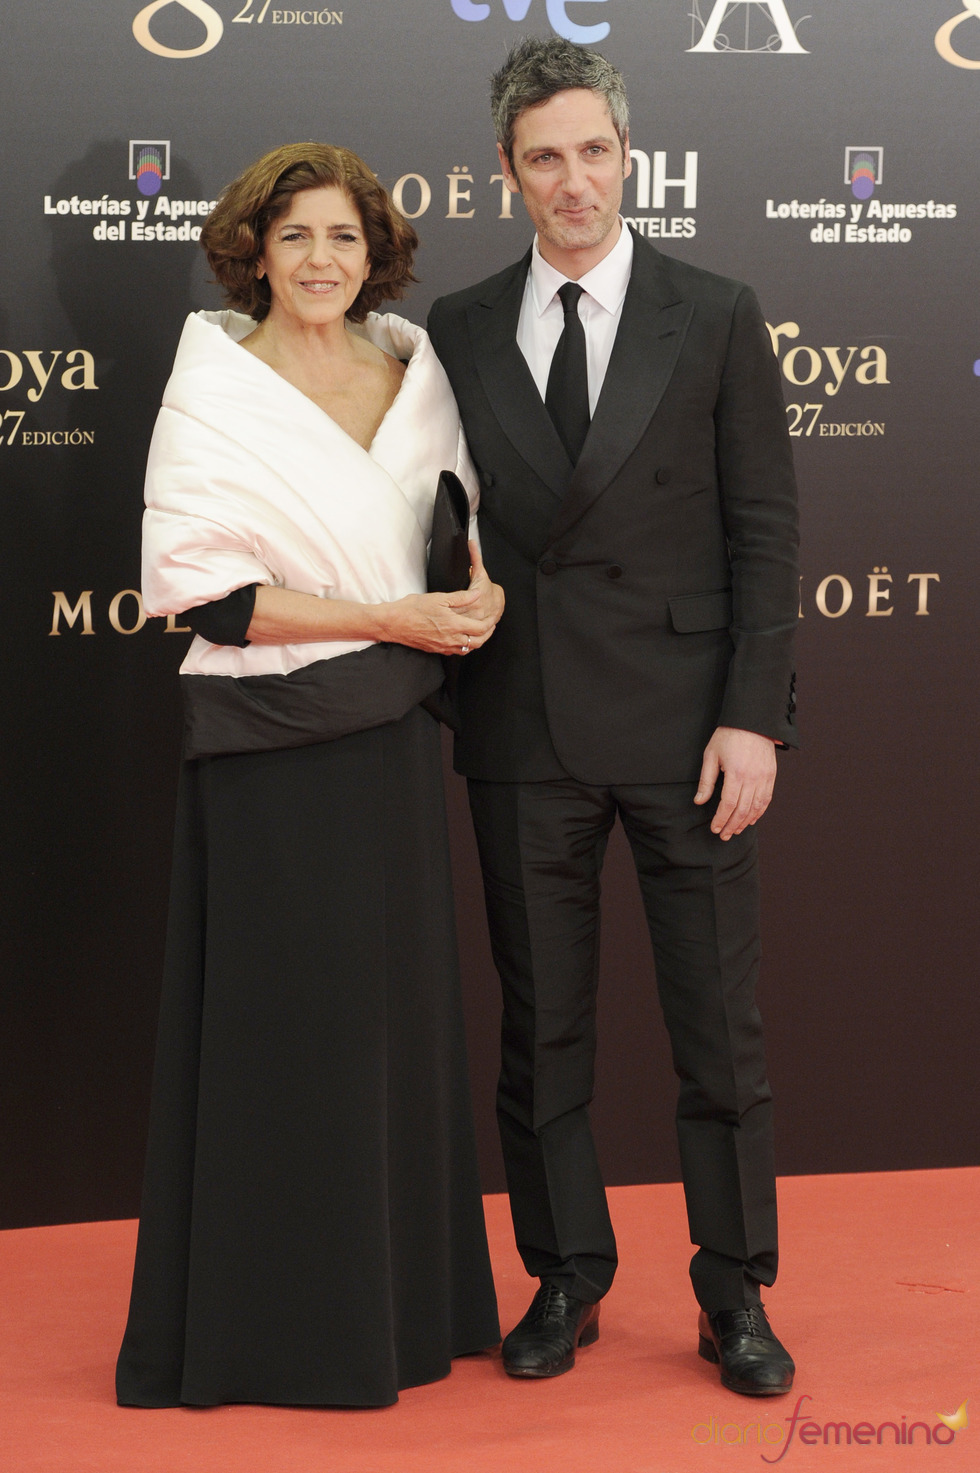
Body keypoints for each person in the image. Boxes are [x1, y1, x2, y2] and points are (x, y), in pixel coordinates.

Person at [427, 39, 799, 1396]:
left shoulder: (713, 310)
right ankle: (567, 1273)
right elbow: (434, 519)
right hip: (525, 732)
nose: (572, 180)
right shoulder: (459, 328)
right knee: (546, 1030)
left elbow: (766, 529)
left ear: (627, 155)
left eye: (593, 151)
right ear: (508, 174)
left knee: (719, 1031)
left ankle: (737, 1287)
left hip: (692, 729)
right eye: (544, 158)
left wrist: (753, 716)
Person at [115, 142, 503, 1409]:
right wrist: (395, 620)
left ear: (372, 252)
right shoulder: (218, 386)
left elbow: (452, 528)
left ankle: (402, 1315)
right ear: (254, 254)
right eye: (294, 240)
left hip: (391, 745)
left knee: (386, 1036)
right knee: (286, 1044)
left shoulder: (412, 366)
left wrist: (470, 595)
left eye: (342, 238)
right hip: (274, 756)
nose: (321, 262)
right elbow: (206, 598)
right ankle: (269, 1338)